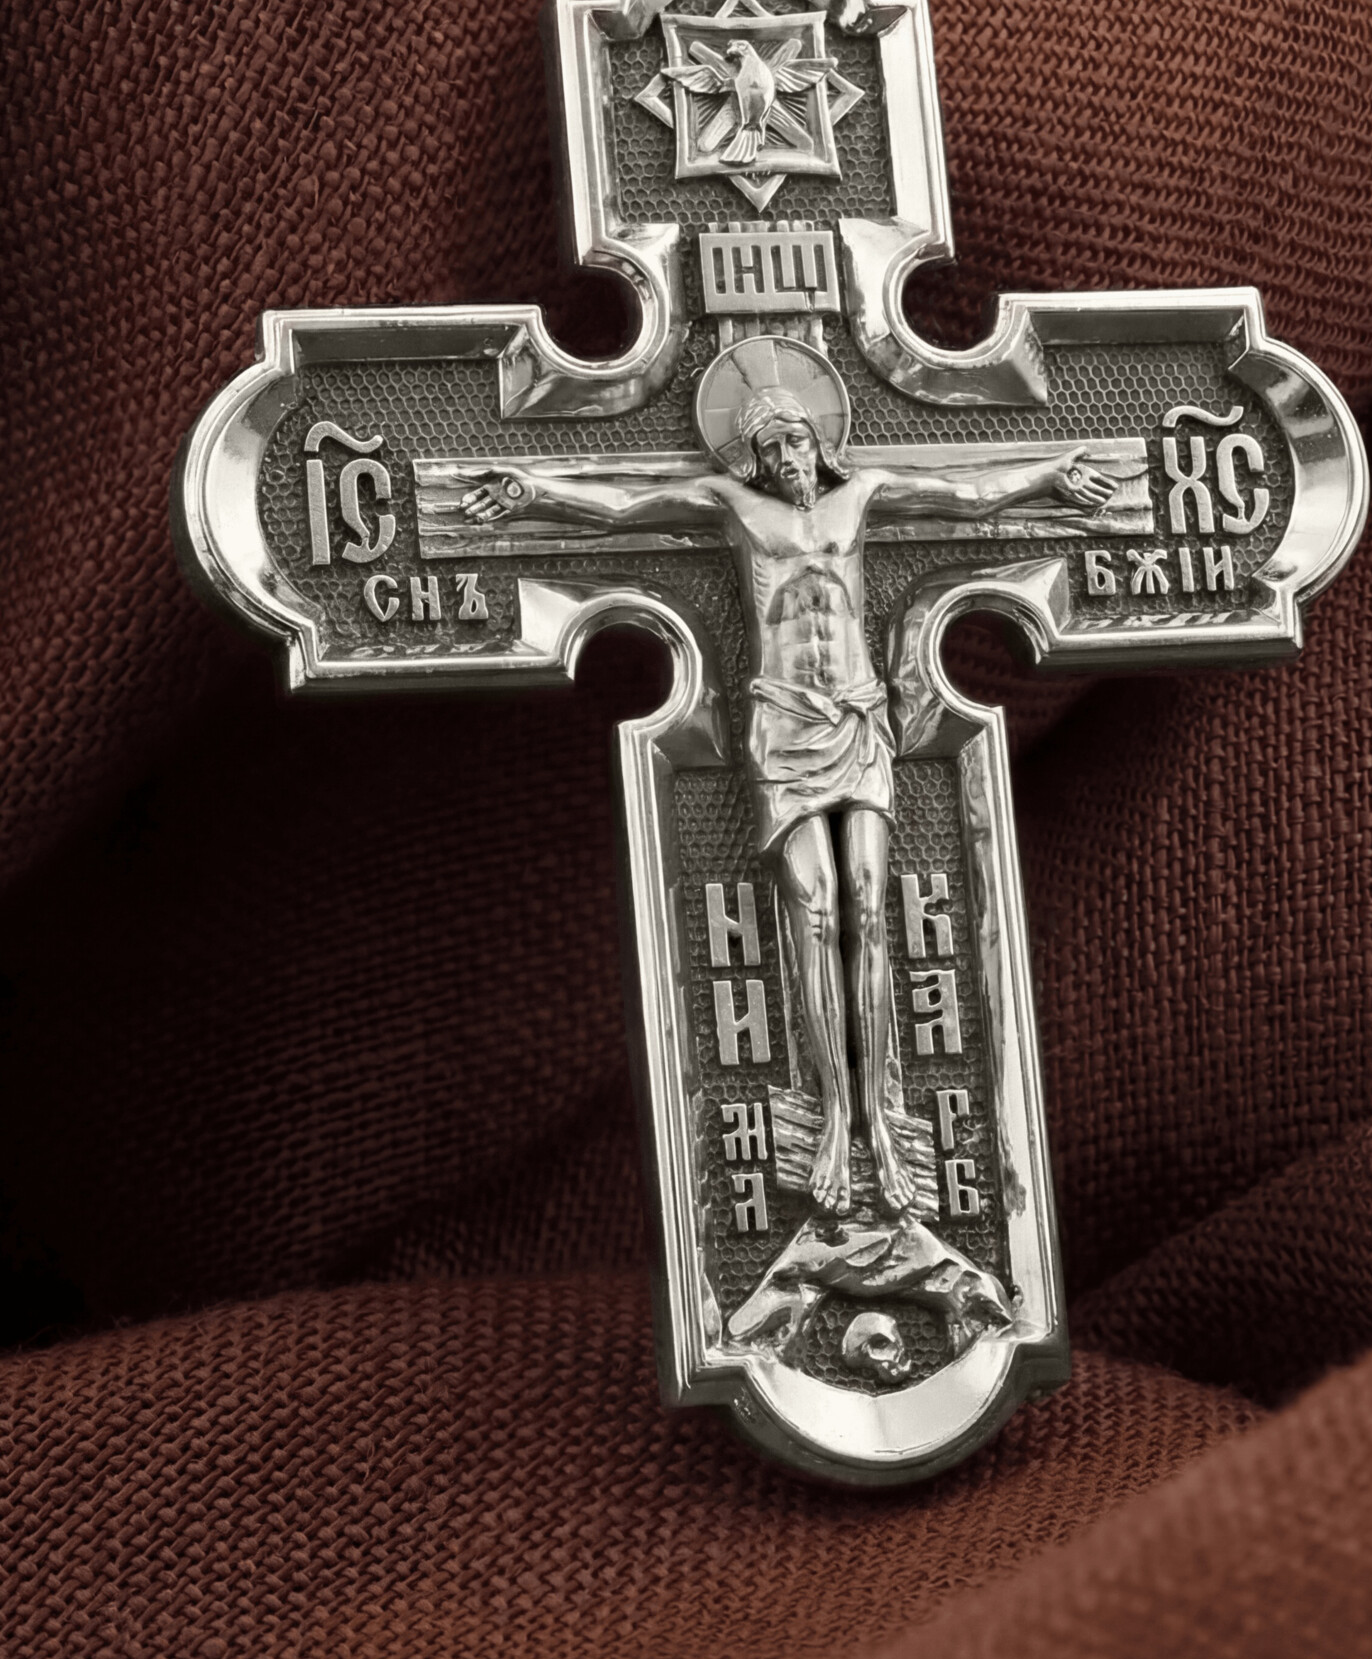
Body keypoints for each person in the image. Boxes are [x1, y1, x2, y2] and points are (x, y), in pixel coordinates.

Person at [461, 380, 1114, 1215]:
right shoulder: (734, 506)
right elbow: (625, 506)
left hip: (857, 718)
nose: (787, 460)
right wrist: (535, 491)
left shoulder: (861, 495)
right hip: (783, 726)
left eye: (795, 442)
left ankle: (878, 1124)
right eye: (770, 449)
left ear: (817, 441)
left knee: (867, 906)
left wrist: (1051, 473)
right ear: (755, 461)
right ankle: (838, 1115)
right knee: (815, 910)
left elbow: (968, 494)